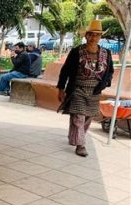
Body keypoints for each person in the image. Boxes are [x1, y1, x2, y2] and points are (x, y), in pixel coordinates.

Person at [57, 20, 114, 157]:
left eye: (97, 35)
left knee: (87, 117)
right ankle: (80, 144)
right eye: (91, 34)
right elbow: (65, 71)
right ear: (86, 36)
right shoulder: (77, 51)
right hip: (78, 89)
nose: (94, 37)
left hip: (95, 91)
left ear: (100, 37)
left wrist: (106, 83)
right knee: (78, 116)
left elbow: (110, 71)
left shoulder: (106, 53)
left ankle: (75, 136)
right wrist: (61, 88)